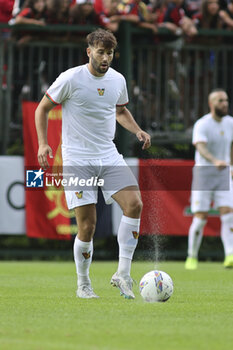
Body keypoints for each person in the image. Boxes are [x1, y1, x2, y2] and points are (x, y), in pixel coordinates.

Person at [35, 28, 151, 299]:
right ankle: (84, 284)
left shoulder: (117, 80)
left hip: (108, 154)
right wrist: (43, 143)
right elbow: (42, 108)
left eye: (109, 53)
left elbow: (120, 110)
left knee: (135, 204)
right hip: (78, 159)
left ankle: (123, 274)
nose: (105, 58)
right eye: (100, 52)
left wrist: (137, 130)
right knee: (87, 226)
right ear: (89, 51)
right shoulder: (71, 78)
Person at [185, 89, 233, 270]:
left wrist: (231, 166)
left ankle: (229, 255)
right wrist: (215, 161)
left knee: (228, 214)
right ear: (211, 104)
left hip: (223, 175)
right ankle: (192, 257)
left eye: (226, 100)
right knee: (201, 217)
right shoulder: (202, 124)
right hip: (203, 174)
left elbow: (231, 146)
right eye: (221, 101)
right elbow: (201, 148)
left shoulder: (230, 123)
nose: (225, 104)